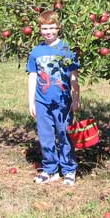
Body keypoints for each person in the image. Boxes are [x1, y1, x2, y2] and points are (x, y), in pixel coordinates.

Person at [27, 10, 80, 185]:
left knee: (65, 134)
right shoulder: (36, 51)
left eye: (51, 27)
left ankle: (69, 169)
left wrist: (76, 98)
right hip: (42, 101)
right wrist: (31, 101)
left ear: (58, 28)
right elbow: (32, 77)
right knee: (46, 136)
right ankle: (50, 169)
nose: (48, 31)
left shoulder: (66, 48)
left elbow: (73, 75)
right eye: (44, 28)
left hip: (63, 102)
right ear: (39, 29)